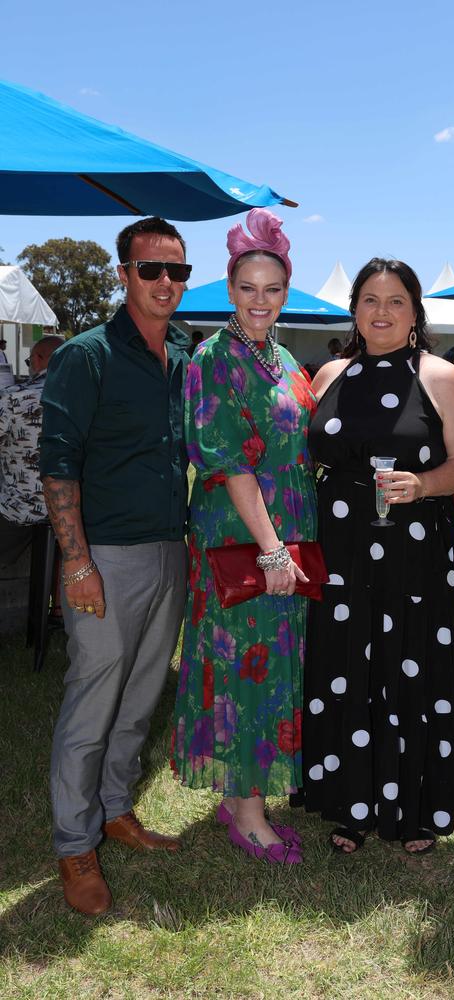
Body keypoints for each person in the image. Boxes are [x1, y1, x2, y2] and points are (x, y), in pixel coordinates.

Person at [40, 217, 191, 915]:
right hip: (104, 555)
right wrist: (77, 563)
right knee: (93, 701)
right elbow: (58, 462)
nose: (167, 283)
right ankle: (75, 845)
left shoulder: (185, 353)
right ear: (123, 274)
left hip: (170, 548)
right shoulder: (86, 355)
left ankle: (115, 809)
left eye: (177, 272)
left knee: (140, 697)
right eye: (151, 269)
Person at [302, 258, 454, 854]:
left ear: (414, 312)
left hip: (415, 545)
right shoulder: (328, 374)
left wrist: (423, 486)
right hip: (340, 547)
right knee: (346, 665)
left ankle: (417, 806)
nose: (381, 311)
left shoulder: (439, 375)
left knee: (411, 664)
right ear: (353, 310)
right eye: (370, 299)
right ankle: (349, 803)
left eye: (396, 300)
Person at [170, 209, 316, 864]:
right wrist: (271, 547)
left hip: (283, 527)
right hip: (244, 535)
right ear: (230, 290)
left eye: (272, 289)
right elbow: (227, 463)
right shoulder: (212, 358)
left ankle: (242, 792)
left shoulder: (282, 357)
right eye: (248, 288)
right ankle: (249, 814)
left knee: (272, 660)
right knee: (243, 666)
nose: (260, 301)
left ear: (285, 293)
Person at [0, 336, 64, 567]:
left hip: (17, 512)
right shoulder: (86, 396)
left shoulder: (14, 397)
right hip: (69, 516)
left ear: (38, 359)